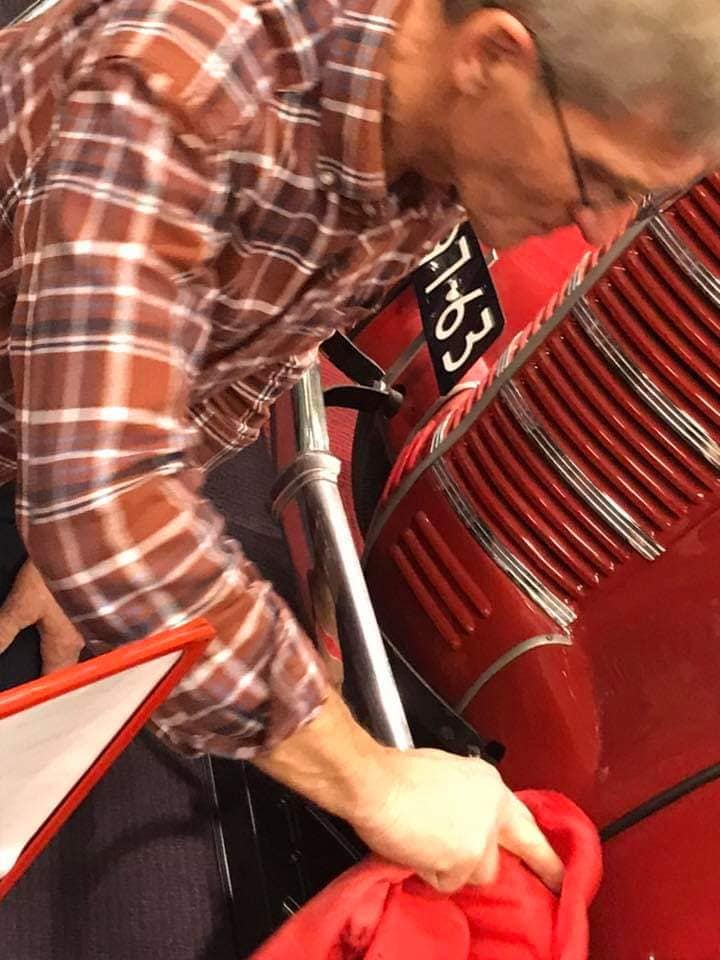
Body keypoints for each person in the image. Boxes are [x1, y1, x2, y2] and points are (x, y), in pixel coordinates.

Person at [0, 0, 717, 896]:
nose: (603, 230)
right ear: (491, 55)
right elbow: (104, 504)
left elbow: (251, 350)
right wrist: (372, 781)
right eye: (597, 178)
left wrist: (97, 519)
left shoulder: (426, 151)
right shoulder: (185, 77)